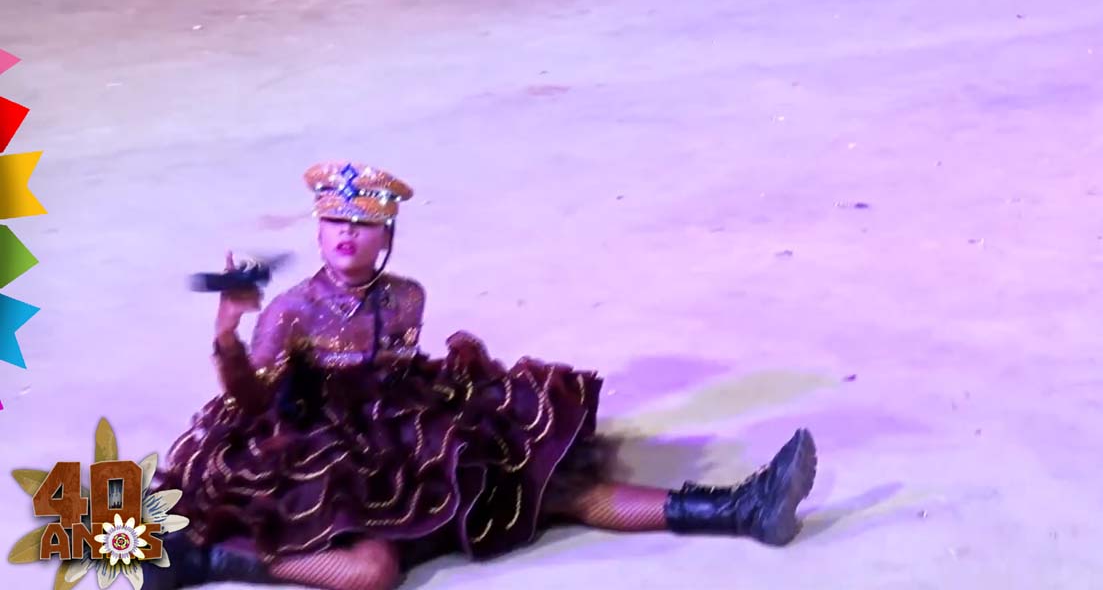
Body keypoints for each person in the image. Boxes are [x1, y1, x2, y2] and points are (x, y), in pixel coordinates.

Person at [147, 162, 818, 590]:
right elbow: (254, 401)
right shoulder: (290, 310)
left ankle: (737, 509)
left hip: (404, 438)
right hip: (313, 455)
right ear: (317, 233)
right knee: (373, 572)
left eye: (363, 223)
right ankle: (216, 556)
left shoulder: (406, 296)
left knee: (548, 484)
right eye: (333, 222)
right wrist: (227, 334)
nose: (346, 233)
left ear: (387, 236)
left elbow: (393, 372)